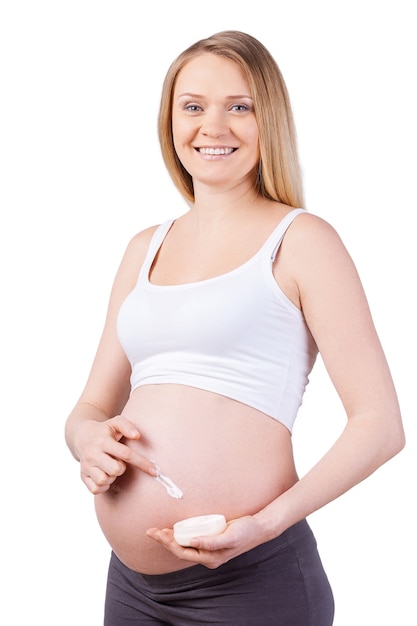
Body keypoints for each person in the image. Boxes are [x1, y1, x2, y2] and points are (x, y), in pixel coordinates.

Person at [65, 30, 405, 625]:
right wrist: (86, 441)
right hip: (131, 589)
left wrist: (264, 525)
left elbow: (380, 427)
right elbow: (90, 406)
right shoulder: (144, 247)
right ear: (170, 121)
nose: (212, 127)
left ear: (268, 119)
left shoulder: (302, 242)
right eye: (193, 106)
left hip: (253, 582)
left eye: (239, 107)